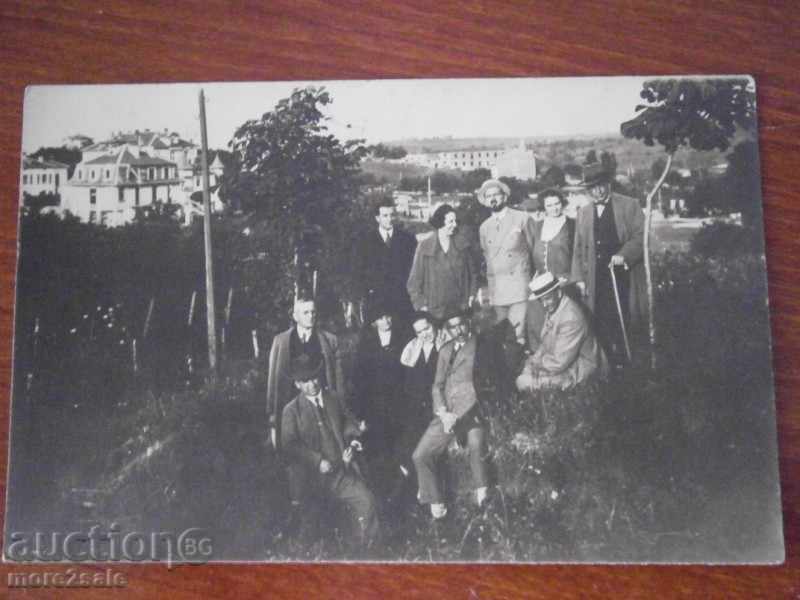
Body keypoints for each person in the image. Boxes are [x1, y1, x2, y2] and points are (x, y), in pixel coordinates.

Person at [281, 354, 379, 549]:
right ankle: (309, 556)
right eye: (305, 381)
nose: (312, 384)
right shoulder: (291, 411)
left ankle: (365, 551)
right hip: (311, 481)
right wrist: (317, 461)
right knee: (311, 530)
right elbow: (289, 445)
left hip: (342, 473)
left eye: (315, 378)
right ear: (297, 384)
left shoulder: (333, 398)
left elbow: (349, 422)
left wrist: (353, 441)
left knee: (367, 501)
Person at [412, 309, 489, 519]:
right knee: (420, 455)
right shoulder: (445, 350)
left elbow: (480, 385)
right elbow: (437, 386)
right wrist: (443, 411)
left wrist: (458, 414)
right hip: (447, 414)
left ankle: (485, 506)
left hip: (472, 411)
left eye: (461, 324)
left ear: (468, 323)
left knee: (476, 447)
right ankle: (436, 505)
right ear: (447, 329)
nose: (458, 330)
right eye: (453, 326)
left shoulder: (480, 346)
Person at [571, 162, 647, 365]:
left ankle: (630, 362)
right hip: (596, 277)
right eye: (592, 187)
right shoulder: (583, 213)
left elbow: (641, 237)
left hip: (623, 275)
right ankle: (606, 364)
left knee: (626, 316)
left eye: (601, 185)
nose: (597, 191)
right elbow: (578, 248)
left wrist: (624, 254)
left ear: (608, 184)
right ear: (587, 190)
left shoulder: (630, 205)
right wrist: (578, 277)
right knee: (599, 319)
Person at [351, 297, 410, 497]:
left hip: (399, 404)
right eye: (381, 318)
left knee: (400, 446)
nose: (386, 321)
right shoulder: (366, 344)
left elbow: (408, 373)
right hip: (375, 407)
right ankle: (384, 491)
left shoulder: (403, 338)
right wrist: (361, 415)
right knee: (378, 449)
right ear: (373, 322)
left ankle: (404, 489)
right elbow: (359, 380)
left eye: (388, 317)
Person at [267, 296, 344, 449]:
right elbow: (273, 380)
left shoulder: (330, 340)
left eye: (313, 312)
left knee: (324, 447)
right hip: (290, 403)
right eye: (306, 312)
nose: (311, 316)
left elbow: (339, 380)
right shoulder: (281, 341)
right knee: (292, 450)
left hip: (320, 403)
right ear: (295, 316)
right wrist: (272, 415)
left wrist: (341, 409)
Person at [516, 273, 608, 391]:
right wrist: (533, 361)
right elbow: (545, 344)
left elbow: (559, 362)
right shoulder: (556, 307)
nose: (544, 305)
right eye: (541, 300)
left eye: (547, 299)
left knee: (522, 381)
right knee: (525, 371)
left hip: (581, 369)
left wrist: (537, 366)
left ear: (558, 293)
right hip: (565, 364)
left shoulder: (571, 317)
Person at [478, 179, 537, 346]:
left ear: (504, 196)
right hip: (497, 291)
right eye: (488, 196)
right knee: (500, 338)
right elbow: (487, 257)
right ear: (485, 201)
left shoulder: (522, 218)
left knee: (518, 336)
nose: (493, 198)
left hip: (519, 287)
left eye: (496, 194)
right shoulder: (484, 227)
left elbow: (535, 250)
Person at [407, 204, 477, 322]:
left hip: (459, 310)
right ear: (440, 222)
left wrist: (471, 296)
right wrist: (422, 306)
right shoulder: (425, 247)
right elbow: (413, 283)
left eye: (455, 221)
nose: (455, 225)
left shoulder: (463, 245)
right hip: (434, 313)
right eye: (450, 221)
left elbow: (473, 275)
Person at [527, 188, 576, 351]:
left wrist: (572, 278)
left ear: (562, 204)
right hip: (542, 284)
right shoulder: (537, 227)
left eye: (557, 204)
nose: (554, 208)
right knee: (537, 322)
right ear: (544, 207)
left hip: (565, 282)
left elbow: (578, 255)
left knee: (563, 326)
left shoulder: (571, 225)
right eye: (549, 205)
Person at [356, 197, 417, 322]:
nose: (389, 219)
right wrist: (368, 291)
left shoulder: (408, 239)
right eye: (385, 216)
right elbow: (359, 271)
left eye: (392, 215)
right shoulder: (365, 241)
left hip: (402, 301)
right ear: (377, 218)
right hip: (376, 302)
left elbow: (414, 270)